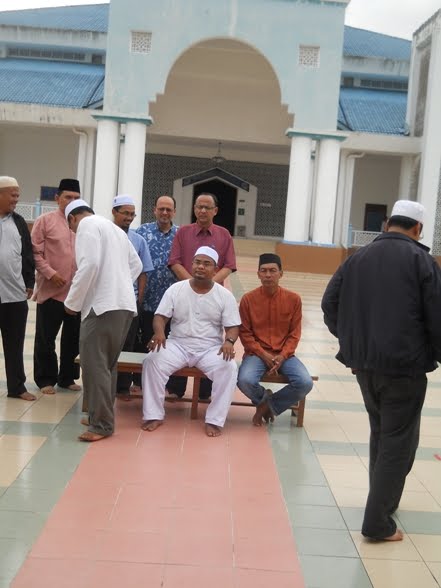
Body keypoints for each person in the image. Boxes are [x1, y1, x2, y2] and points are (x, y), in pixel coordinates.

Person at [321, 200, 441, 542]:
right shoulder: (422, 261)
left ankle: (383, 501)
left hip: (365, 367)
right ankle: (377, 522)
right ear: (418, 228)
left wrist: (352, 343)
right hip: (404, 368)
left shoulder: (356, 258)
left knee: (382, 434)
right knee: (398, 443)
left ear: (388, 224)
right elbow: (437, 318)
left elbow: (330, 304)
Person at [64, 199, 142, 442]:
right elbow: (136, 265)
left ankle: (101, 425)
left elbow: (89, 265)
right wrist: (118, 283)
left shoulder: (86, 225)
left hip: (102, 307)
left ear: (72, 218)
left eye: (71, 227)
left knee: (94, 365)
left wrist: (72, 302)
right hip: (123, 305)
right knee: (107, 365)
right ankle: (100, 416)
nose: (74, 231)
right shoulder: (115, 230)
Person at [142, 246, 240, 437]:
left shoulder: (224, 295)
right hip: (177, 344)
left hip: (210, 348)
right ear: (191, 264)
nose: (200, 267)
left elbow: (233, 326)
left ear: (215, 269)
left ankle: (215, 420)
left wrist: (229, 341)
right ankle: (154, 415)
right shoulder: (176, 289)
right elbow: (160, 316)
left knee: (228, 368)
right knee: (152, 361)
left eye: (206, 264)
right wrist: (159, 332)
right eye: (197, 262)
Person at [168, 192, 237, 399]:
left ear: (215, 211)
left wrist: (209, 284)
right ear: (194, 209)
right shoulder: (183, 232)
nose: (203, 211)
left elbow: (229, 265)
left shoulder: (224, 234)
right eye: (199, 207)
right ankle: (176, 389)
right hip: (184, 293)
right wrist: (192, 283)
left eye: (207, 207)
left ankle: (205, 392)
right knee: (180, 335)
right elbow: (175, 261)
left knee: (210, 339)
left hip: (213, 297)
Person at [237, 253, 313, 426]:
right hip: (256, 354)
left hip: (284, 355)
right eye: (263, 271)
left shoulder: (293, 299)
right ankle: (266, 399)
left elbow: (294, 334)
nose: (268, 275)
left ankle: (267, 406)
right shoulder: (248, 300)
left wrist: (283, 355)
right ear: (258, 274)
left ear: (281, 273)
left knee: (305, 382)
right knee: (245, 380)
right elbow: (245, 334)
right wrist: (263, 354)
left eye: (272, 271)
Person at [31, 178, 82, 395]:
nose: (72, 201)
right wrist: (51, 274)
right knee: (46, 338)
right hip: (51, 290)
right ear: (57, 198)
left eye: (76, 197)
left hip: (76, 293)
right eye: (67, 197)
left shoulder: (84, 223)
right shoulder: (44, 221)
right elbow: (35, 253)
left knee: (73, 338)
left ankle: (67, 377)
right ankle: (46, 379)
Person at [135, 194, 185, 396]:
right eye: (161, 208)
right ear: (154, 210)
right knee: (144, 342)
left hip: (175, 303)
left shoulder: (181, 234)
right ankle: (140, 384)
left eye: (168, 209)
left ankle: (174, 388)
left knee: (176, 345)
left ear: (174, 212)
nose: (165, 212)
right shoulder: (142, 232)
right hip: (147, 299)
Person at [111, 194, 153, 399]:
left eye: (132, 214)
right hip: (108, 301)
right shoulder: (105, 235)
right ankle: (106, 385)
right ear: (114, 212)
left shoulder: (138, 240)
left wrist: (139, 299)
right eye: (125, 213)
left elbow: (143, 271)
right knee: (108, 344)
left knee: (128, 344)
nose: (129, 217)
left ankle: (122, 387)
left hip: (130, 301)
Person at [0, 176, 36, 401]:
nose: (16, 199)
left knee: (14, 344)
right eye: (13, 195)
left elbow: (27, 253)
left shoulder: (19, 221)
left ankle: (17, 387)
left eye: (17, 195)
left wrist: (29, 282)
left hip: (13, 294)